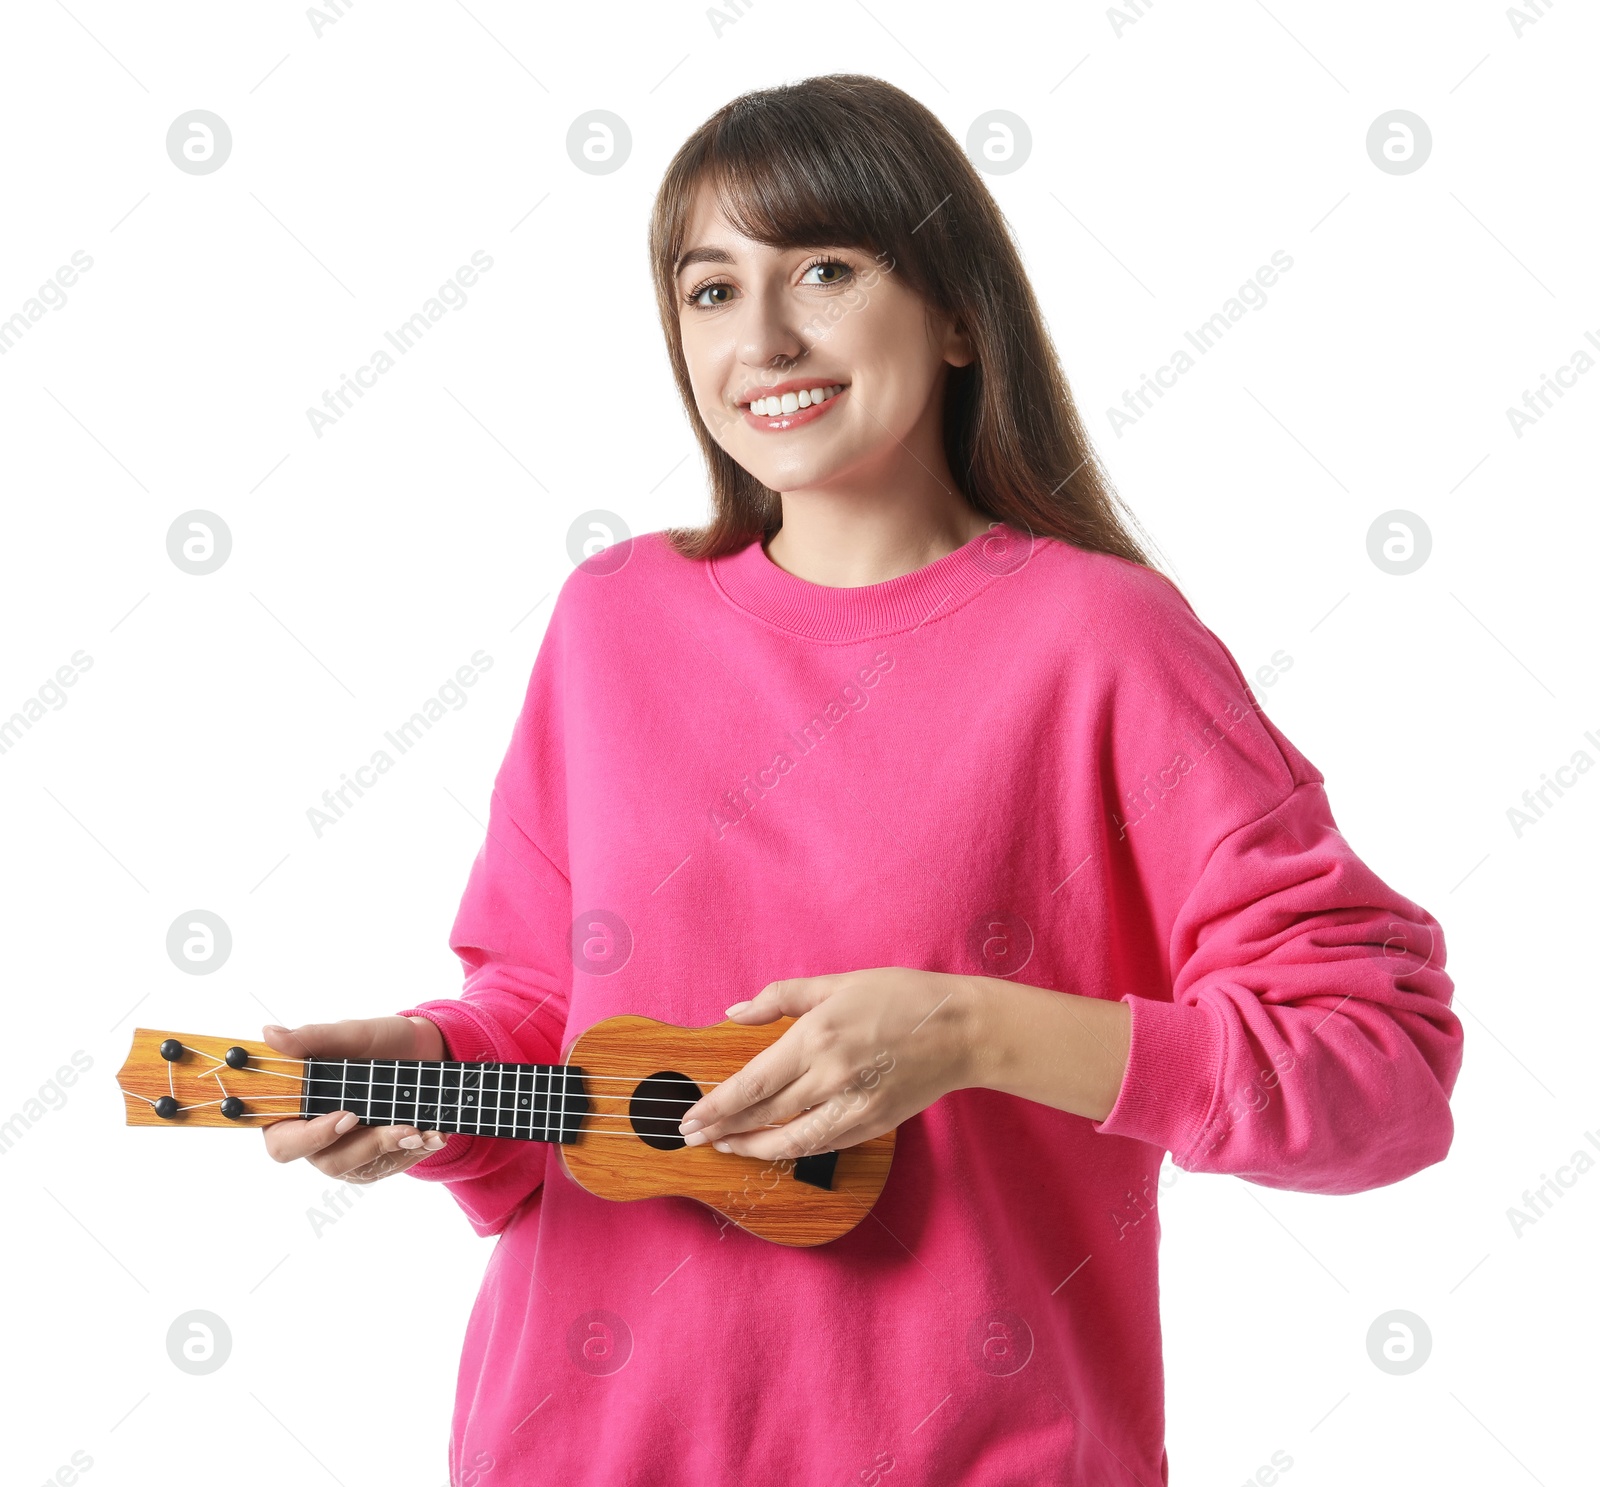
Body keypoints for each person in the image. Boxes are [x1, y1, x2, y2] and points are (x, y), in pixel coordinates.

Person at [261, 74, 1463, 1485]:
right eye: (709, 290)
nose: (761, 337)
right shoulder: (611, 622)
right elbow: (559, 1026)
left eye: (823, 269)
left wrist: (974, 1034)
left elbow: (1381, 1073)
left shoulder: (1101, 643)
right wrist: (442, 1072)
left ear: (960, 315)